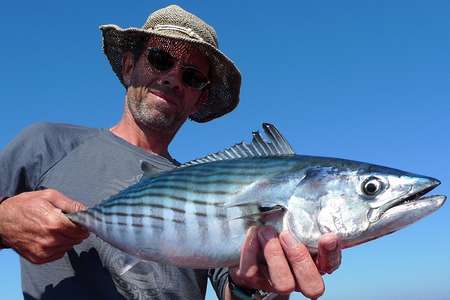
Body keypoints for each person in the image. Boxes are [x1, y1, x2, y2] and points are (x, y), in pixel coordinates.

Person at [0, 5, 341, 300]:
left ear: (200, 98)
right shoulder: (46, 144)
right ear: (128, 66)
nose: (174, 79)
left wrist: (257, 286)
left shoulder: (206, 185)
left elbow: (234, 289)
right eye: (160, 59)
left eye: (192, 77)